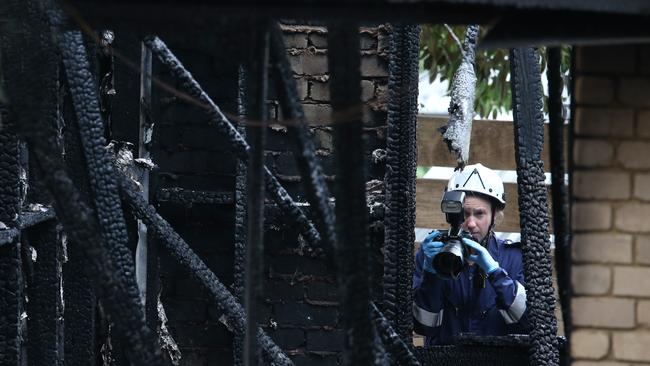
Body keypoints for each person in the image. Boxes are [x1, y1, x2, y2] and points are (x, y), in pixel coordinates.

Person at [413, 163, 529, 345]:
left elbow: (528, 323)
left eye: (479, 214)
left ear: (494, 215)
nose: (471, 223)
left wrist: (494, 271)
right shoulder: (431, 255)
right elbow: (423, 326)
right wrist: (432, 274)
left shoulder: (514, 257)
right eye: (464, 214)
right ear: (451, 214)